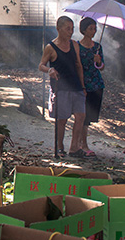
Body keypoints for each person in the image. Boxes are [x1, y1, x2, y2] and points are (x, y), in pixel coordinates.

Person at [38, 15, 86, 159]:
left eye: (72, 29)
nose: (70, 32)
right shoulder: (50, 47)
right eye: (67, 29)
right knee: (62, 120)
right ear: (58, 29)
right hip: (61, 88)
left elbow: (78, 65)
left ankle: (74, 148)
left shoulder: (74, 45)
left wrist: (83, 86)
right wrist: (49, 70)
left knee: (81, 116)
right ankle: (60, 147)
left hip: (76, 86)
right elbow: (41, 65)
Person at [74, 17, 104, 158]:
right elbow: (76, 65)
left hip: (96, 85)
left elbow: (102, 67)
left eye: (95, 28)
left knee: (89, 118)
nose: (93, 31)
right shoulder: (77, 47)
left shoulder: (97, 47)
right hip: (82, 84)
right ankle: (82, 145)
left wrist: (98, 62)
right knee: (82, 116)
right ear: (84, 30)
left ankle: (82, 143)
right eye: (91, 28)